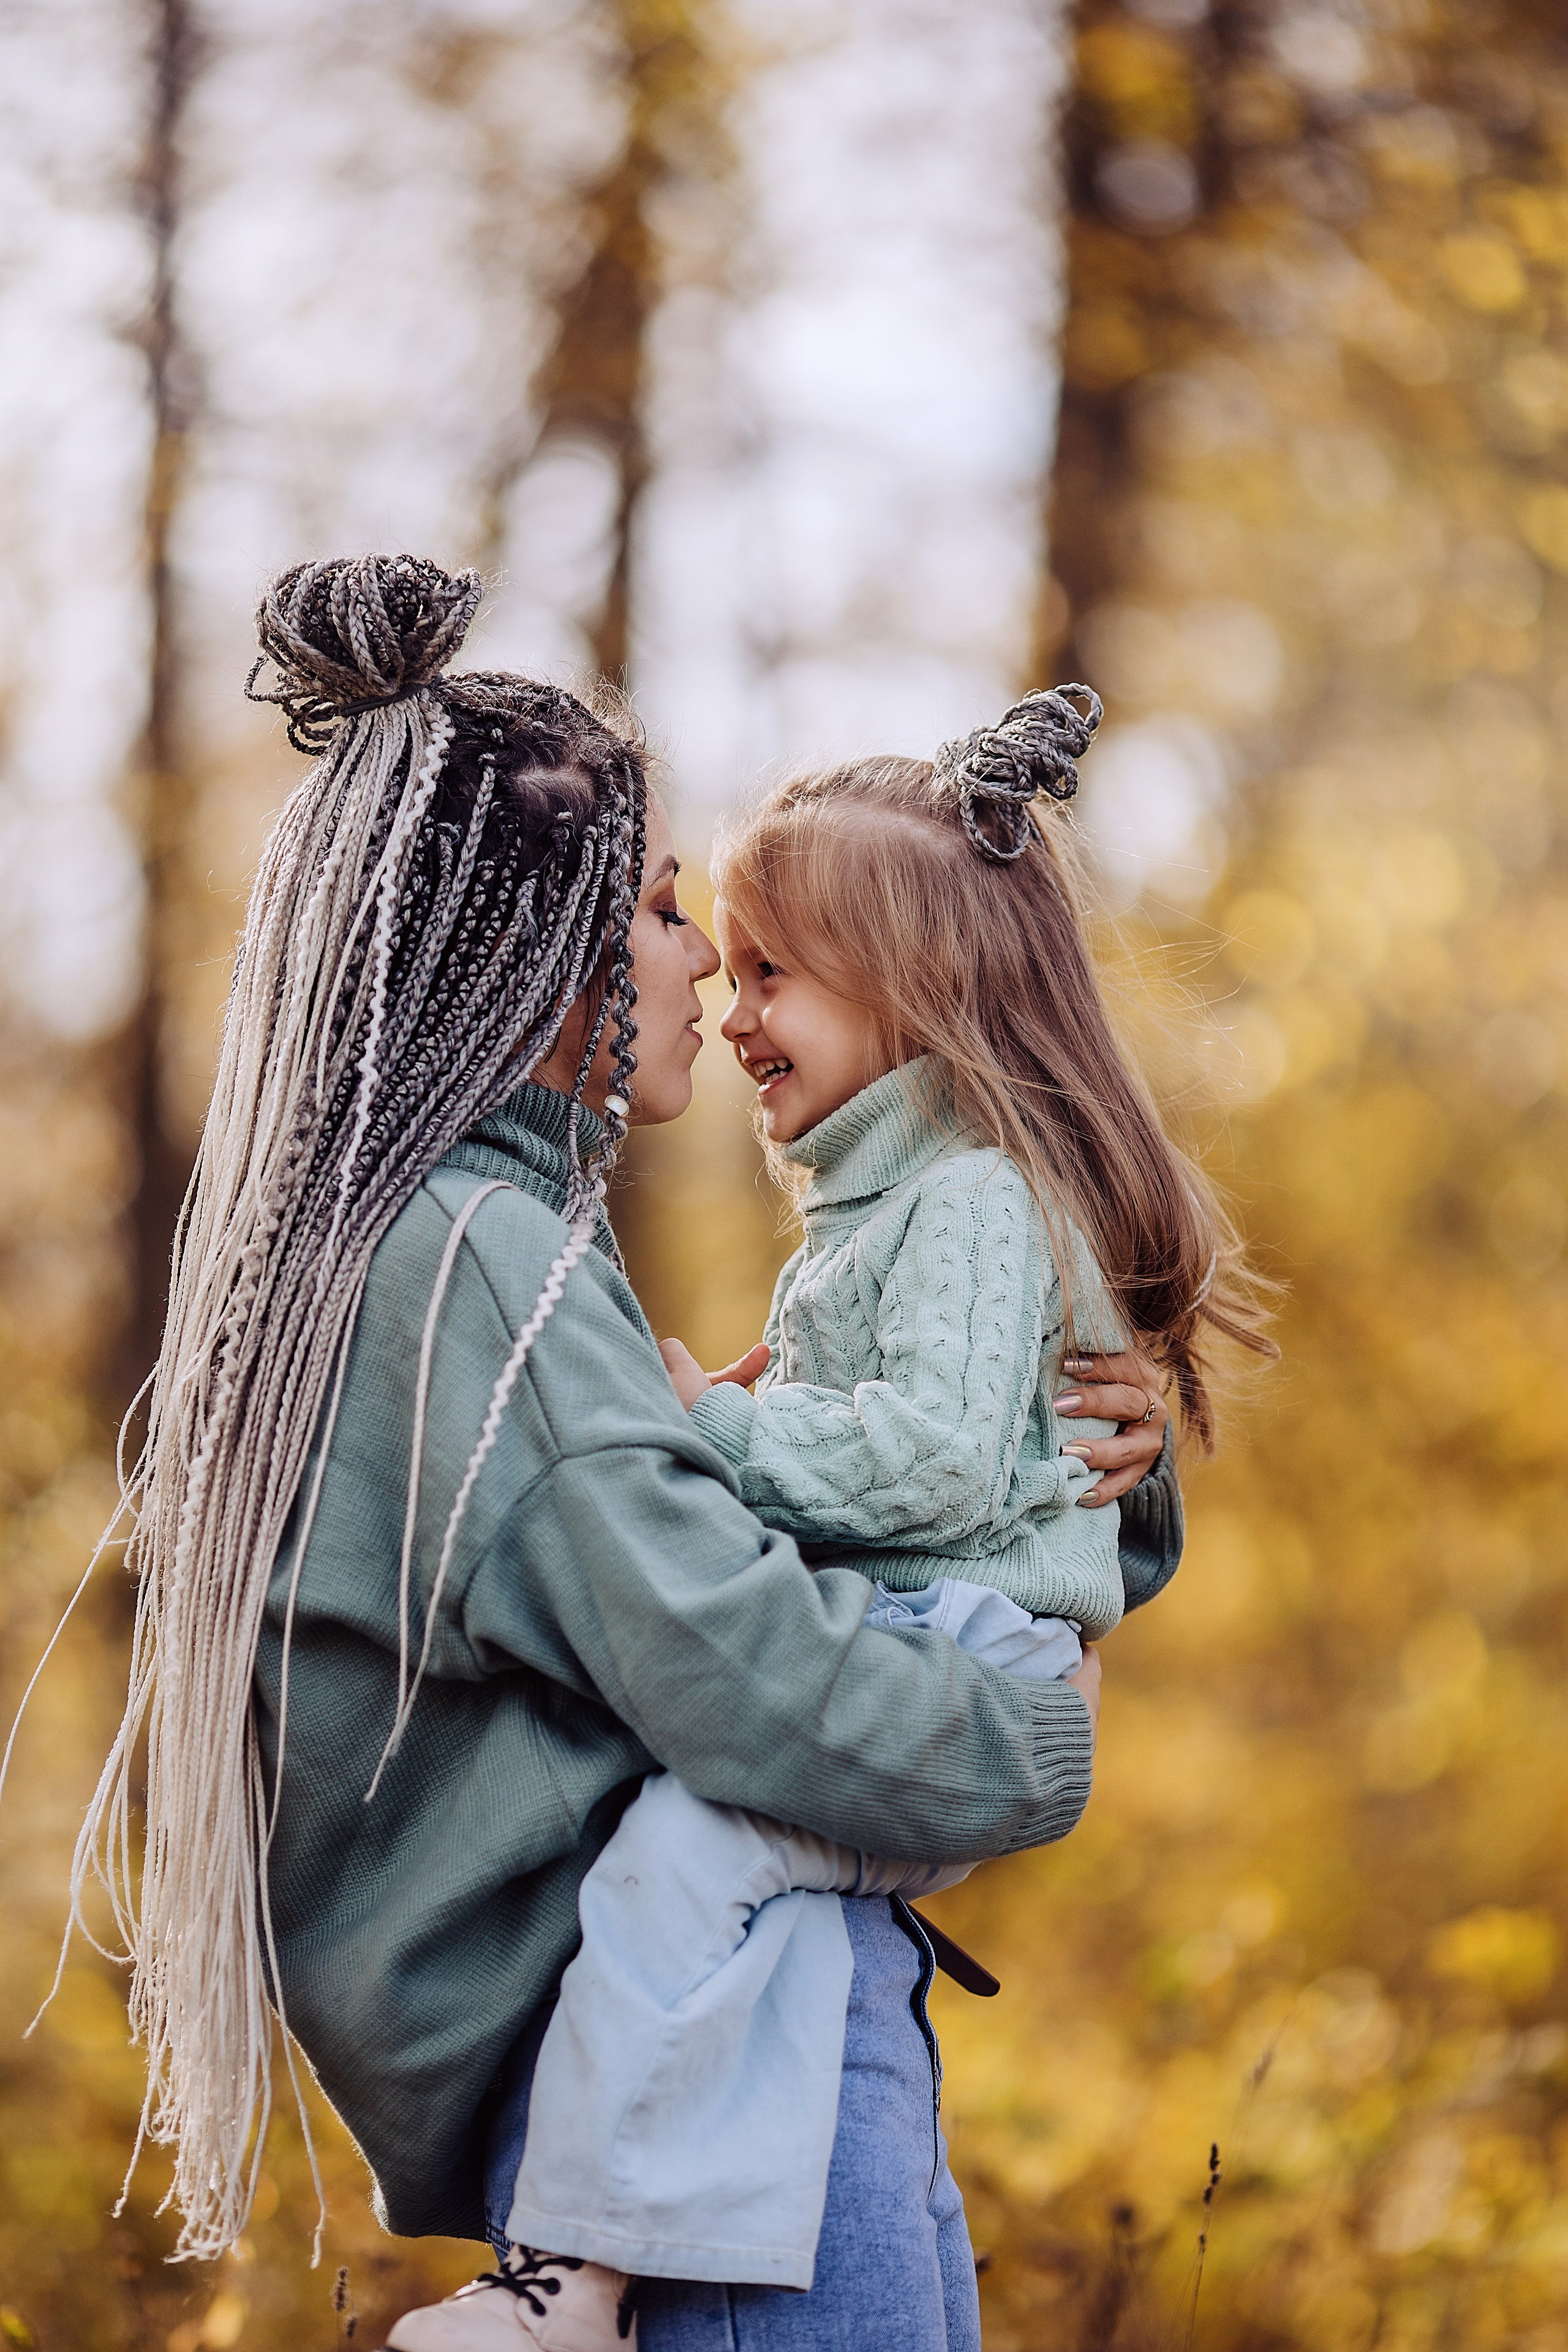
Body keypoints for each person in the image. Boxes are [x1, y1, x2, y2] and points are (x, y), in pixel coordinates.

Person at [69, 556, 1177, 2352]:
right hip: (713, 2076)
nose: (696, 971)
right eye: (663, 912)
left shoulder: (431, 1239)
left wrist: (1071, 1444)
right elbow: (730, 1659)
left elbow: (718, 1557)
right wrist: (1022, 1743)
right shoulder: (485, 1267)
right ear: (540, 940)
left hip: (671, 2062)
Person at [475, 691, 1270, 2348]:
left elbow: (924, 1471)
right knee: (732, 1908)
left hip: (957, 1653)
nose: (730, 997)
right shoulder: (889, 1202)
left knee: (681, 1868)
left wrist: (714, 1424)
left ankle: (567, 2281)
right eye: (723, 956)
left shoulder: (970, 1196)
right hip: (938, 1647)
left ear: (913, 996)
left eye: (772, 971)